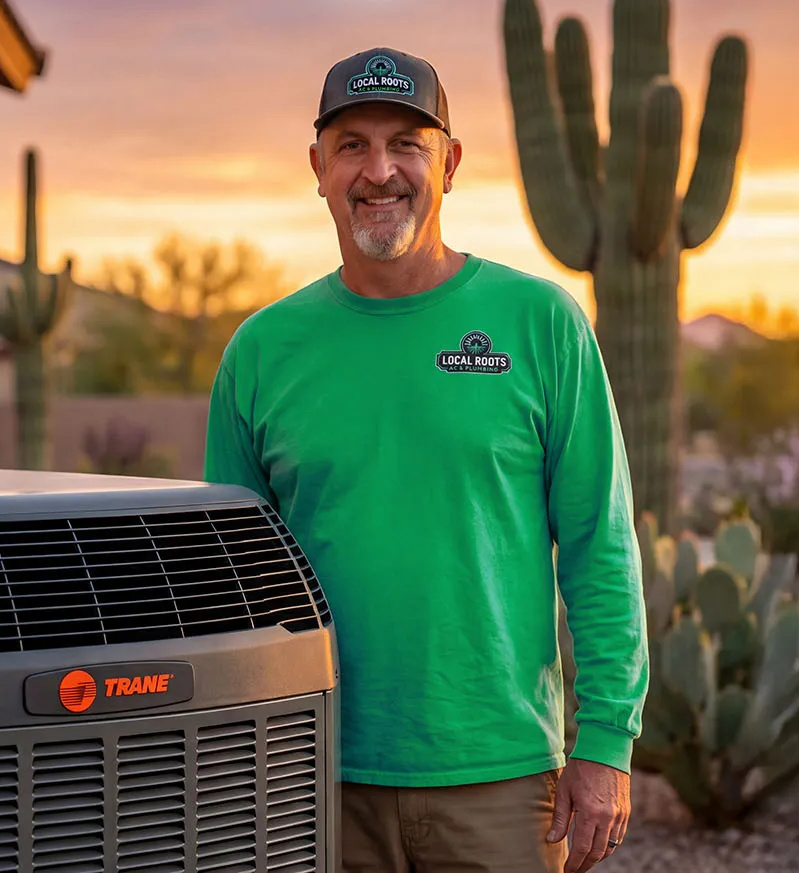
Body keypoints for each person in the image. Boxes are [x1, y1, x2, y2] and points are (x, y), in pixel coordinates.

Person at [202, 47, 649, 873]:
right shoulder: (262, 352)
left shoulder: (541, 324)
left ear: (449, 161)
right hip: (312, 771)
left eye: (407, 142)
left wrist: (607, 742)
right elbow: (228, 582)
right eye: (352, 146)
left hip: (503, 775)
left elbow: (600, 544)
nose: (380, 170)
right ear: (318, 168)